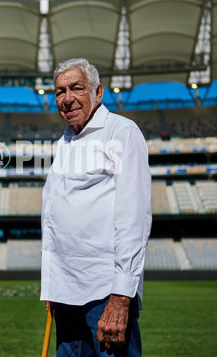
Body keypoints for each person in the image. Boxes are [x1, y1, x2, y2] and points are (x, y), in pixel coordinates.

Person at [40, 58, 152, 357]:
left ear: (98, 93)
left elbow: (134, 216)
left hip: (104, 291)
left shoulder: (122, 132)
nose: (67, 99)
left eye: (76, 88)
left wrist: (121, 296)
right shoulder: (66, 140)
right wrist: (53, 283)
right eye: (60, 91)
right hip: (66, 292)